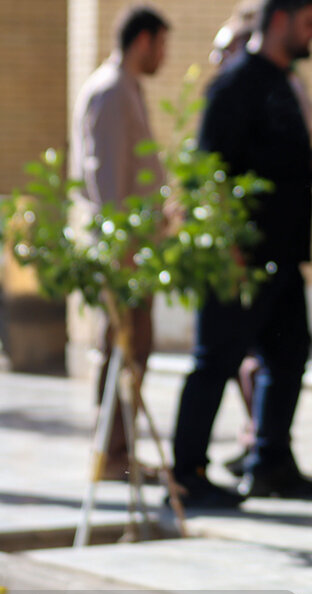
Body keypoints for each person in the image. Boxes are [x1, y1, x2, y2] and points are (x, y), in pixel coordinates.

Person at [169, 0, 312, 509]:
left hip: (282, 259)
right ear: (279, 20)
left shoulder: (283, 82)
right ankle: (187, 474)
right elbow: (206, 169)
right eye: (308, 23)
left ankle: (269, 463)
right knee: (215, 361)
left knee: (289, 355)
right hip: (240, 261)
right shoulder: (235, 85)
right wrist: (230, 249)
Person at [69, 4, 169, 482]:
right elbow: (104, 174)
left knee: (135, 348)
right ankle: (110, 453)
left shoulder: (126, 89)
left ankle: (119, 449)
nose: (164, 56)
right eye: (162, 44)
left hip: (135, 247)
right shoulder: (110, 91)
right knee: (121, 347)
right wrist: (121, 243)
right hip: (121, 249)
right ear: (144, 40)